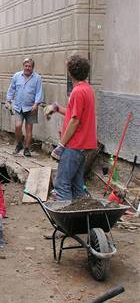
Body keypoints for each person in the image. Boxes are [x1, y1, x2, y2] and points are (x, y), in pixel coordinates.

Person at [44, 55, 96, 201]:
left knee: (62, 185)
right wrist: (57, 108)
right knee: (77, 185)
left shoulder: (77, 92)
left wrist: (61, 145)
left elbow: (75, 121)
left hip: (75, 144)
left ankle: (67, 221)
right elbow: (76, 113)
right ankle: (83, 219)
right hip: (84, 145)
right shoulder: (87, 89)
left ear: (70, 72)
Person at [6, 58, 43, 157]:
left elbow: (39, 92)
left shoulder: (37, 78)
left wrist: (36, 104)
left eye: (29, 66)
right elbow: (12, 88)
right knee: (18, 126)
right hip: (18, 106)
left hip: (31, 108)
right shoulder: (17, 76)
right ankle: (19, 144)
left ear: (32, 67)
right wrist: (8, 100)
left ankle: (26, 148)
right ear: (23, 66)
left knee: (29, 130)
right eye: (26, 66)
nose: (27, 68)